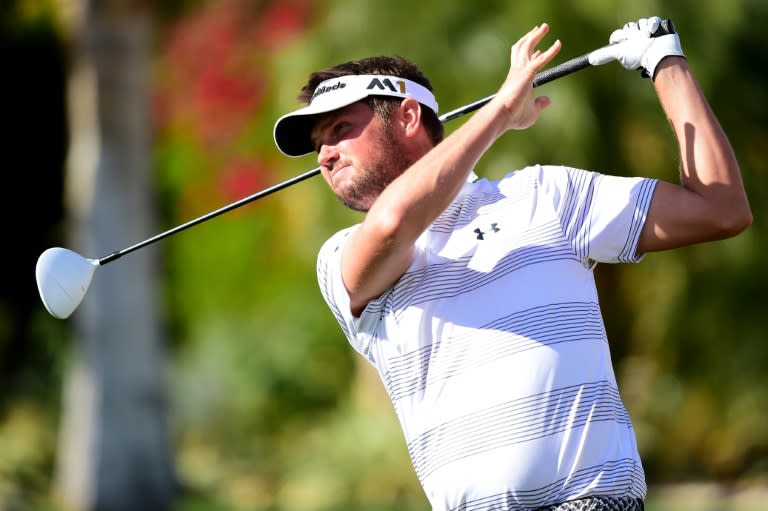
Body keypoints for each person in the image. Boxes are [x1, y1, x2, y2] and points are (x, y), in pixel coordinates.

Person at [272, 17, 751, 511]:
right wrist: (502, 109)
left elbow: (720, 209)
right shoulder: (341, 257)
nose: (324, 155)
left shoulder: (544, 195)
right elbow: (393, 224)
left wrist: (665, 63)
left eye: (340, 129)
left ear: (409, 117)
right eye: (317, 145)